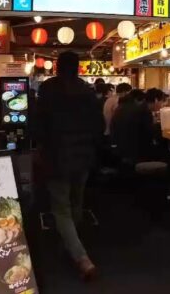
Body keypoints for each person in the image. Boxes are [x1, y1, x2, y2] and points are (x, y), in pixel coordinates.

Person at [36, 51, 104, 279]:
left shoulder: (47, 89)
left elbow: (38, 124)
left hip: (57, 158)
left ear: (57, 67)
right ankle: (72, 246)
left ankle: (81, 258)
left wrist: (40, 148)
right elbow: (99, 126)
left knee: (61, 209)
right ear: (78, 68)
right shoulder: (87, 91)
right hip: (83, 158)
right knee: (76, 203)